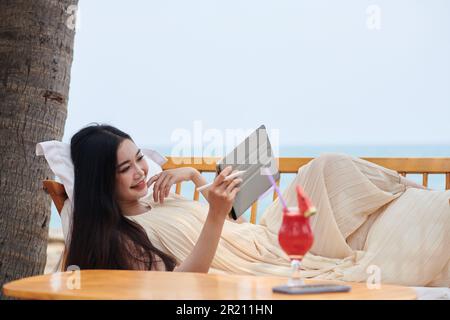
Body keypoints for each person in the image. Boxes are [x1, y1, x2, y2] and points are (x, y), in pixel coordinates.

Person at [65, 123, 450, 287]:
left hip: (262, 234)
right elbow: (180, 282)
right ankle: (422, 203)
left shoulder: (156, 199)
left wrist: (194, 177)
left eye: (139, 160)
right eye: (125, 168)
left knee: (326, 166)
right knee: (435, 218)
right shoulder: (121, 238)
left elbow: (218, 217)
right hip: (265, 261)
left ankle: (406, 191)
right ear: (100, 179)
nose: (139, 171)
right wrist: (216, 214)